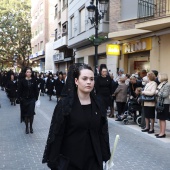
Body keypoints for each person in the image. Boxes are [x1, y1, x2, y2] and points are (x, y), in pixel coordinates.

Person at [42, 64, 111, 170]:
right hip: (71, 161)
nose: (89, 82)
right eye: (84, 78)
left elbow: (102, 132)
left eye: (91, 79)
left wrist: (106, 156)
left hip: (94, 161)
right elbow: (57, 134)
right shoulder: (65, 105)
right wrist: (54, 161)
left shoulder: (98, 104)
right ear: (76, 81)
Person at [17, 67, 38, 134]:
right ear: (25, 73)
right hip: (24, 100)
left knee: (31, 114)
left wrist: (36, 98)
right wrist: (19, 98)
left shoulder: (34, 80)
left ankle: (31, 127)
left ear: (31, 73)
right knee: (26, 114)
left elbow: (36, 90)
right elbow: (19, 90)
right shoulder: (22, 81)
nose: (29, 73)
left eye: (30, 72)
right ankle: (26, 127)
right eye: (27, 72)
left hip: (32, 100)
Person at [155, 73, 170, 138]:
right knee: (160, 118)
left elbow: (165, 94)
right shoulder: (161, 84)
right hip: (160, 103)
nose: (158, 78)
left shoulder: (167, 85)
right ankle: (161, 132)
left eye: (159, 77)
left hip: (164, 103)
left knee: (163, 118)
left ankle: (163, 133)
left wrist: (157, 92)